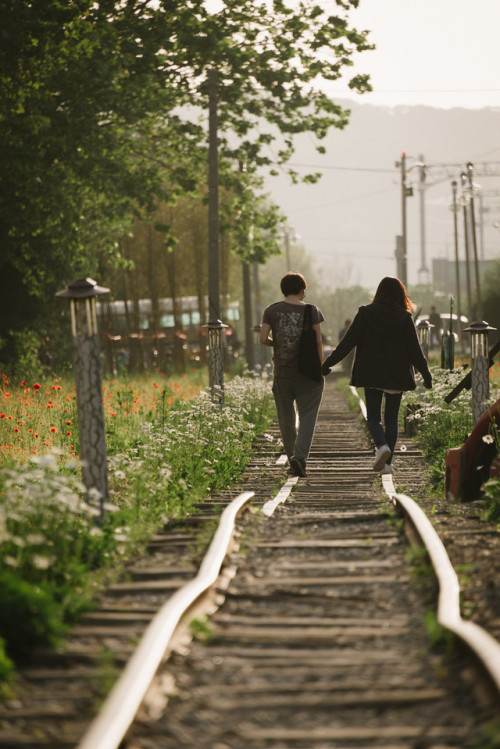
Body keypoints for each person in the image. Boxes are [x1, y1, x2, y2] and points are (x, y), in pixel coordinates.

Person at [321, 277, 432, 475]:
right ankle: (388, 465)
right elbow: (415, 351)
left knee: (373, 417)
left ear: (378, 293)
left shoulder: (366, 313)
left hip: (370, 372)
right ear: (401, 294)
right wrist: (426, 374)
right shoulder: (405, 318)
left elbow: (348, 343)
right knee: (391, 419)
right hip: (396, 374)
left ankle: (382, 447)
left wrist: (327, 364)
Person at [260, 271, 324, 477]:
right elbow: (318, 342)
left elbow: (262, 339)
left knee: (286, 418)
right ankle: (300, 457)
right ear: (302, 291)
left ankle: (292, 460)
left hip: (282, 373)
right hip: (308, 373)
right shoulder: (312, 311)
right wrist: (320, 367)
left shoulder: (271, 311)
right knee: (308, 415)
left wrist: (276, 343)